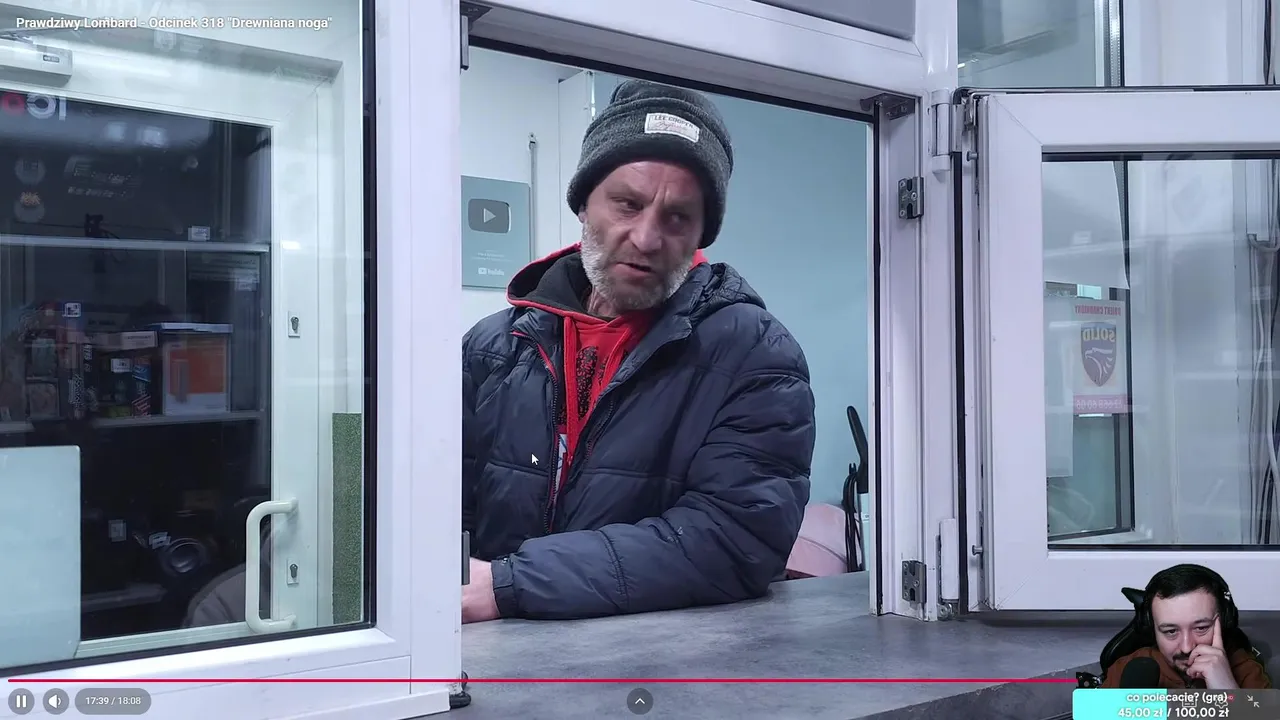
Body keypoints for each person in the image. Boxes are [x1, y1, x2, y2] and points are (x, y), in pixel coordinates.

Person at [461, 79, 816, 623]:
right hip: (485, 657)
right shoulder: (494, 349)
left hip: (659, 667)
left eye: (678, 217)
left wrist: (510, 585)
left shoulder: (757, 357)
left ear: (702, 232)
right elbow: (430, 506)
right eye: (628, 204)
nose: (647, 238)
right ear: (584, 204)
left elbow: (732, 540)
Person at [1103, 564, 1272, 690]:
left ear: (1225, 621)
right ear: (1151, 628)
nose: (1186, 647)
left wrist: (1227, 692)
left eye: (1201, 628)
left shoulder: (1247, 672)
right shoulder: (1125, 669)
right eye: (1171, 631)